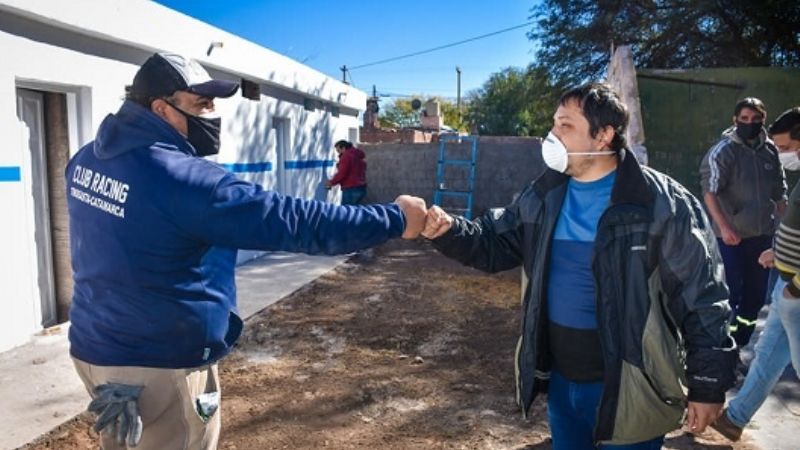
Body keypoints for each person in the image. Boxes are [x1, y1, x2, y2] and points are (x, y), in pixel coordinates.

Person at [66, 52, 427, 450]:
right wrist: (395, 218)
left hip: (95, 350)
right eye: (201, 104)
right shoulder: (185, 180)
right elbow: (296, 222)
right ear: (160, 109)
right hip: (159, 365)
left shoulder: (87, 159)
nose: (212, 113)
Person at [421, 82, 737, 449]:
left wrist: (709, 385)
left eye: (566, 126)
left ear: (604, 135)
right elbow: (494, 243)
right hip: (562, 383)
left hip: (632, 388)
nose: (552, 135)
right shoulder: (544, 195)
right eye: (554, 124)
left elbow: (703, 297)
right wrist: (446, 230)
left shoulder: (660, 203)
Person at [712, 107, 800, 442]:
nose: (782, 155)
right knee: (767, 356)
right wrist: (780, 253)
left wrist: (795, 286)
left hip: (796, 291)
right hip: (787, 285)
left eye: (787, 148)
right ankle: (734, 419)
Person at [699, 97, 787, 347]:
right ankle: (720, 350)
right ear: (735, 120)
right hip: (731, 239)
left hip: (762, 237)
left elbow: (780, 193)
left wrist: (786, 228)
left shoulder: (770, 150)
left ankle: (738, 345)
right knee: (731, 295)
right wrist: (725, 228)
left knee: (756, 298)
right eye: (745, 119)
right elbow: (710, 192)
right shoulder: (722, 151)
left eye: (756, 119)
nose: (750, 123)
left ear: (764, 119)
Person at [325, 140, 367, 205]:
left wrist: (331, 182)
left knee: (346, 212)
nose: (338, 153)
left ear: (344, 148)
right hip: (361, 188)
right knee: (356, 212)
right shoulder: (358, 155)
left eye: (338, 150)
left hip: (351, 189)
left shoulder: (346, 156)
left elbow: (342, 173)